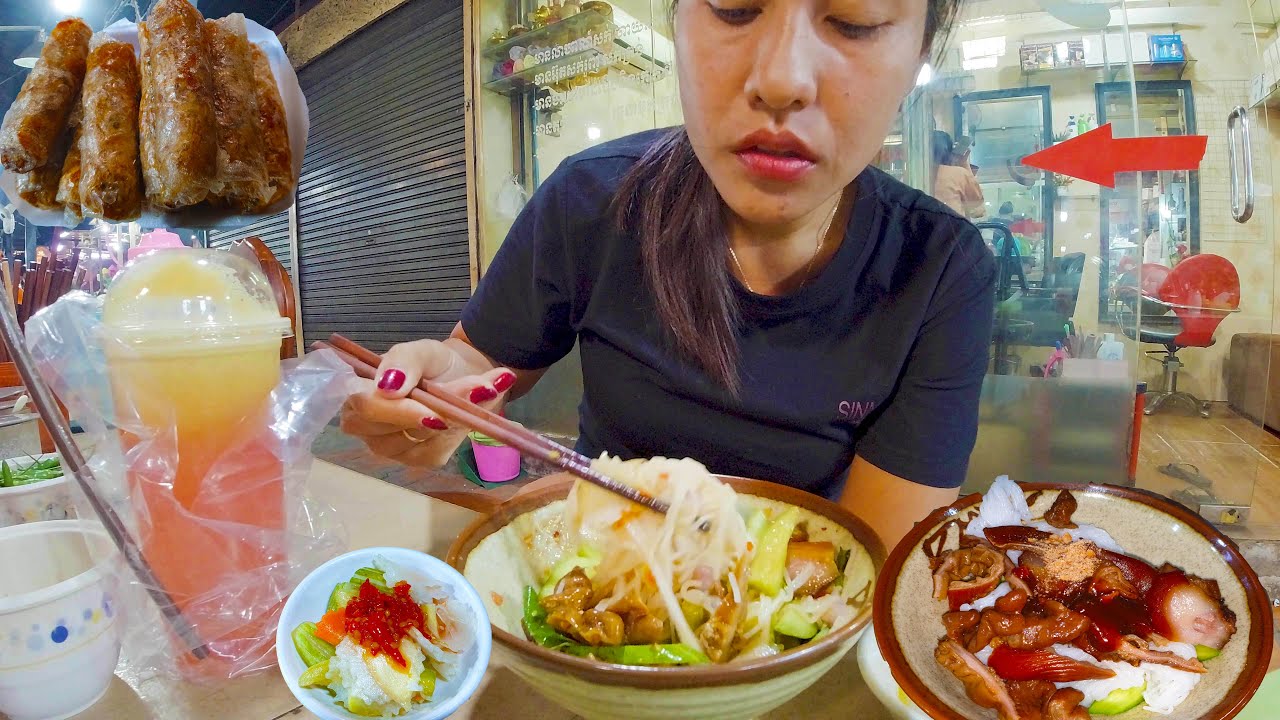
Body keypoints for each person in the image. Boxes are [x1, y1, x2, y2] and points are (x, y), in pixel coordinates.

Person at [342, 0, 993, 549]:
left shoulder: (938, 270)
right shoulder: (591, 199)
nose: (782, 79)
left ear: (918, 55)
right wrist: (439, 395)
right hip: (593, 577)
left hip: (798, 617)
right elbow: (477, 365)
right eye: (735, 7)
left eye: (855, 20)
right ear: (675, 21)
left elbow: (876, 561)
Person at [930, 130, 985, 219]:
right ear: (949, 152)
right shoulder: (959, 174)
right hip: (953, 230)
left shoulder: (914, 175)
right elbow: (978, 211)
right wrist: (964, 163)